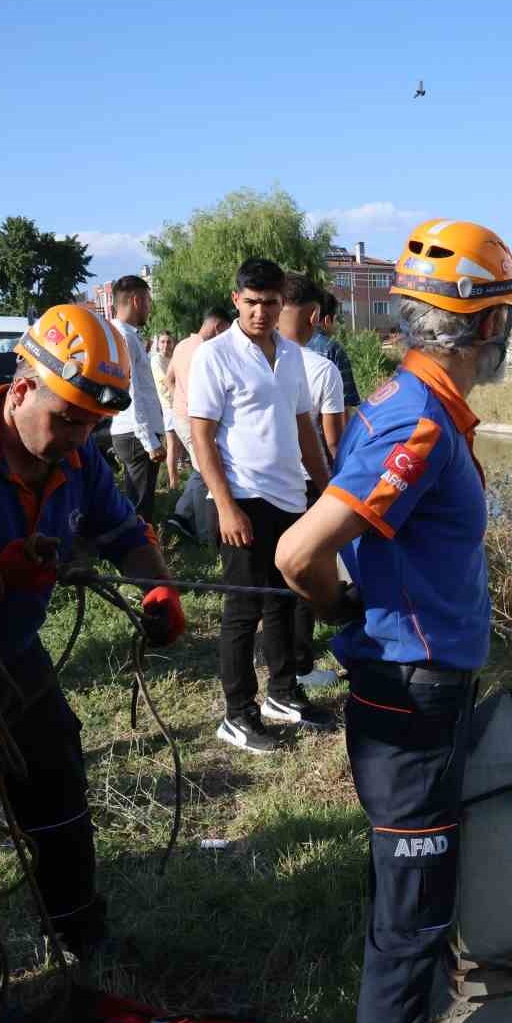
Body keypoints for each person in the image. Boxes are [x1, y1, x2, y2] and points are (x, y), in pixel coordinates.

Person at [275, 217, 512, 1023]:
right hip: (410, 700)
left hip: (420, 696)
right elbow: (299, 550)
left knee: (412, 903)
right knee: (411, 926)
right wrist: (337, 605)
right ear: (487, 326)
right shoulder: (416, 423)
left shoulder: (414, 404)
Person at [0, 303, 181, 960]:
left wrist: (159, 585)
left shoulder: (80, 462)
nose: (80, 438)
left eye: (92, 424)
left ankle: (81, 933)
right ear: (23, 387)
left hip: (14, 657)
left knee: (57, 782)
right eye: (67, 419)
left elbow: (124, 535)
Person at [188, 258, 333, 752]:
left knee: (285, 600)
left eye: (270, 304)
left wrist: (327, 487)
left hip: (290, 495)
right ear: (236, 301)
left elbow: (304, 430)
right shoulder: (215, 356)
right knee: (242, 608)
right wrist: (226, 506)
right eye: (251, 303)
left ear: (281, 304)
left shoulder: (292, 356)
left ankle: (283, 693)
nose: (260, 313)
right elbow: (202, 437)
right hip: (242, 497)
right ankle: (238, 714)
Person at [278, 273, 347, 691]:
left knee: (266, 585)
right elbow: (333, 439)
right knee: (304, 573)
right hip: (306, 483)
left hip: (258, 488)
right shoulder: (323, 369)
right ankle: (299, 668)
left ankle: (278, 671)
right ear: (316, 316)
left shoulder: (253, 360)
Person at [163, 306, 232, 545]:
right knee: (207, 472)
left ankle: (180, 515)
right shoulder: (205, 351)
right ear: (218, 327)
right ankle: (206, 537)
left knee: (198, 468)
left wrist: (177, 398)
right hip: (195, 420)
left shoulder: (182, 345)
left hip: (180, 416)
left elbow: (168, 378)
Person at [107, 274, 167, 524]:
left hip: (130, 431)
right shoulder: (125, 338)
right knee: (140, 507)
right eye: (149, 302)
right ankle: (142, 555)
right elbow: (133, 392)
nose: (150, 308)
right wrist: (149, 440)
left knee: (137, 501)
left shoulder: (118, 334)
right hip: (135, 433)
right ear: (136, 300)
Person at [306, 291, 362, 411]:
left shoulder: (291, 345)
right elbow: (345, 402)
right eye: (335, 320)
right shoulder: (333, 349)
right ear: (327, 320)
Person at [149, 330, 184, 483]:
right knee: (172, 445)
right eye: (162, 342)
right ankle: (173, 482)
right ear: (158, 344)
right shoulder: (156, 360)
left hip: (179, 403)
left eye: (168, 342)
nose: (165, 345)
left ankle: (178, 475)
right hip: (169, 406)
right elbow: (165, 382)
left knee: (179, 443)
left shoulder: (174, 358)